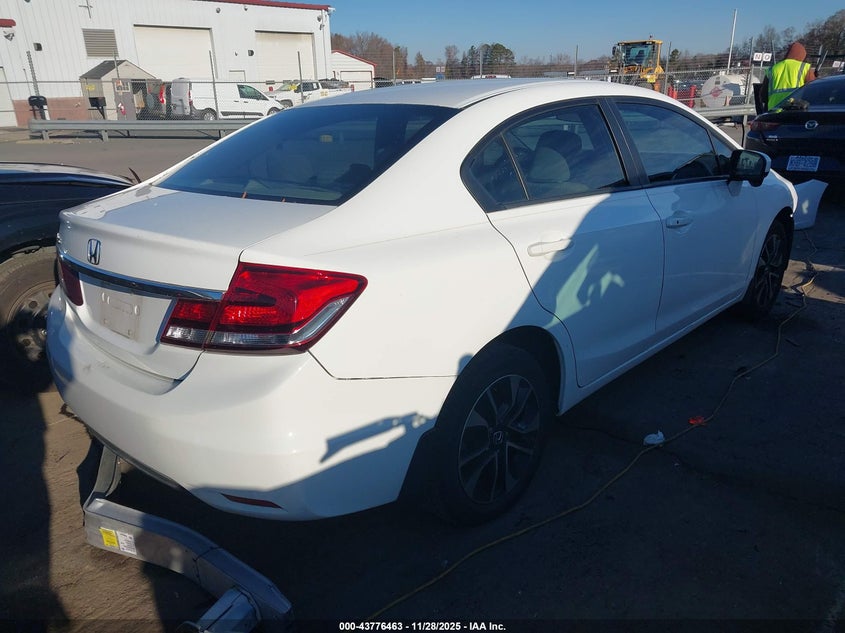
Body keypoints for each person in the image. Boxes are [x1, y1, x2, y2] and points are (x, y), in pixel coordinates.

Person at [760, 42, 817, 111]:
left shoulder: (772, 69)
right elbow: (813, 92)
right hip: (795, 111)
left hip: (774, 112)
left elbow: (763, 96)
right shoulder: (804, 67)